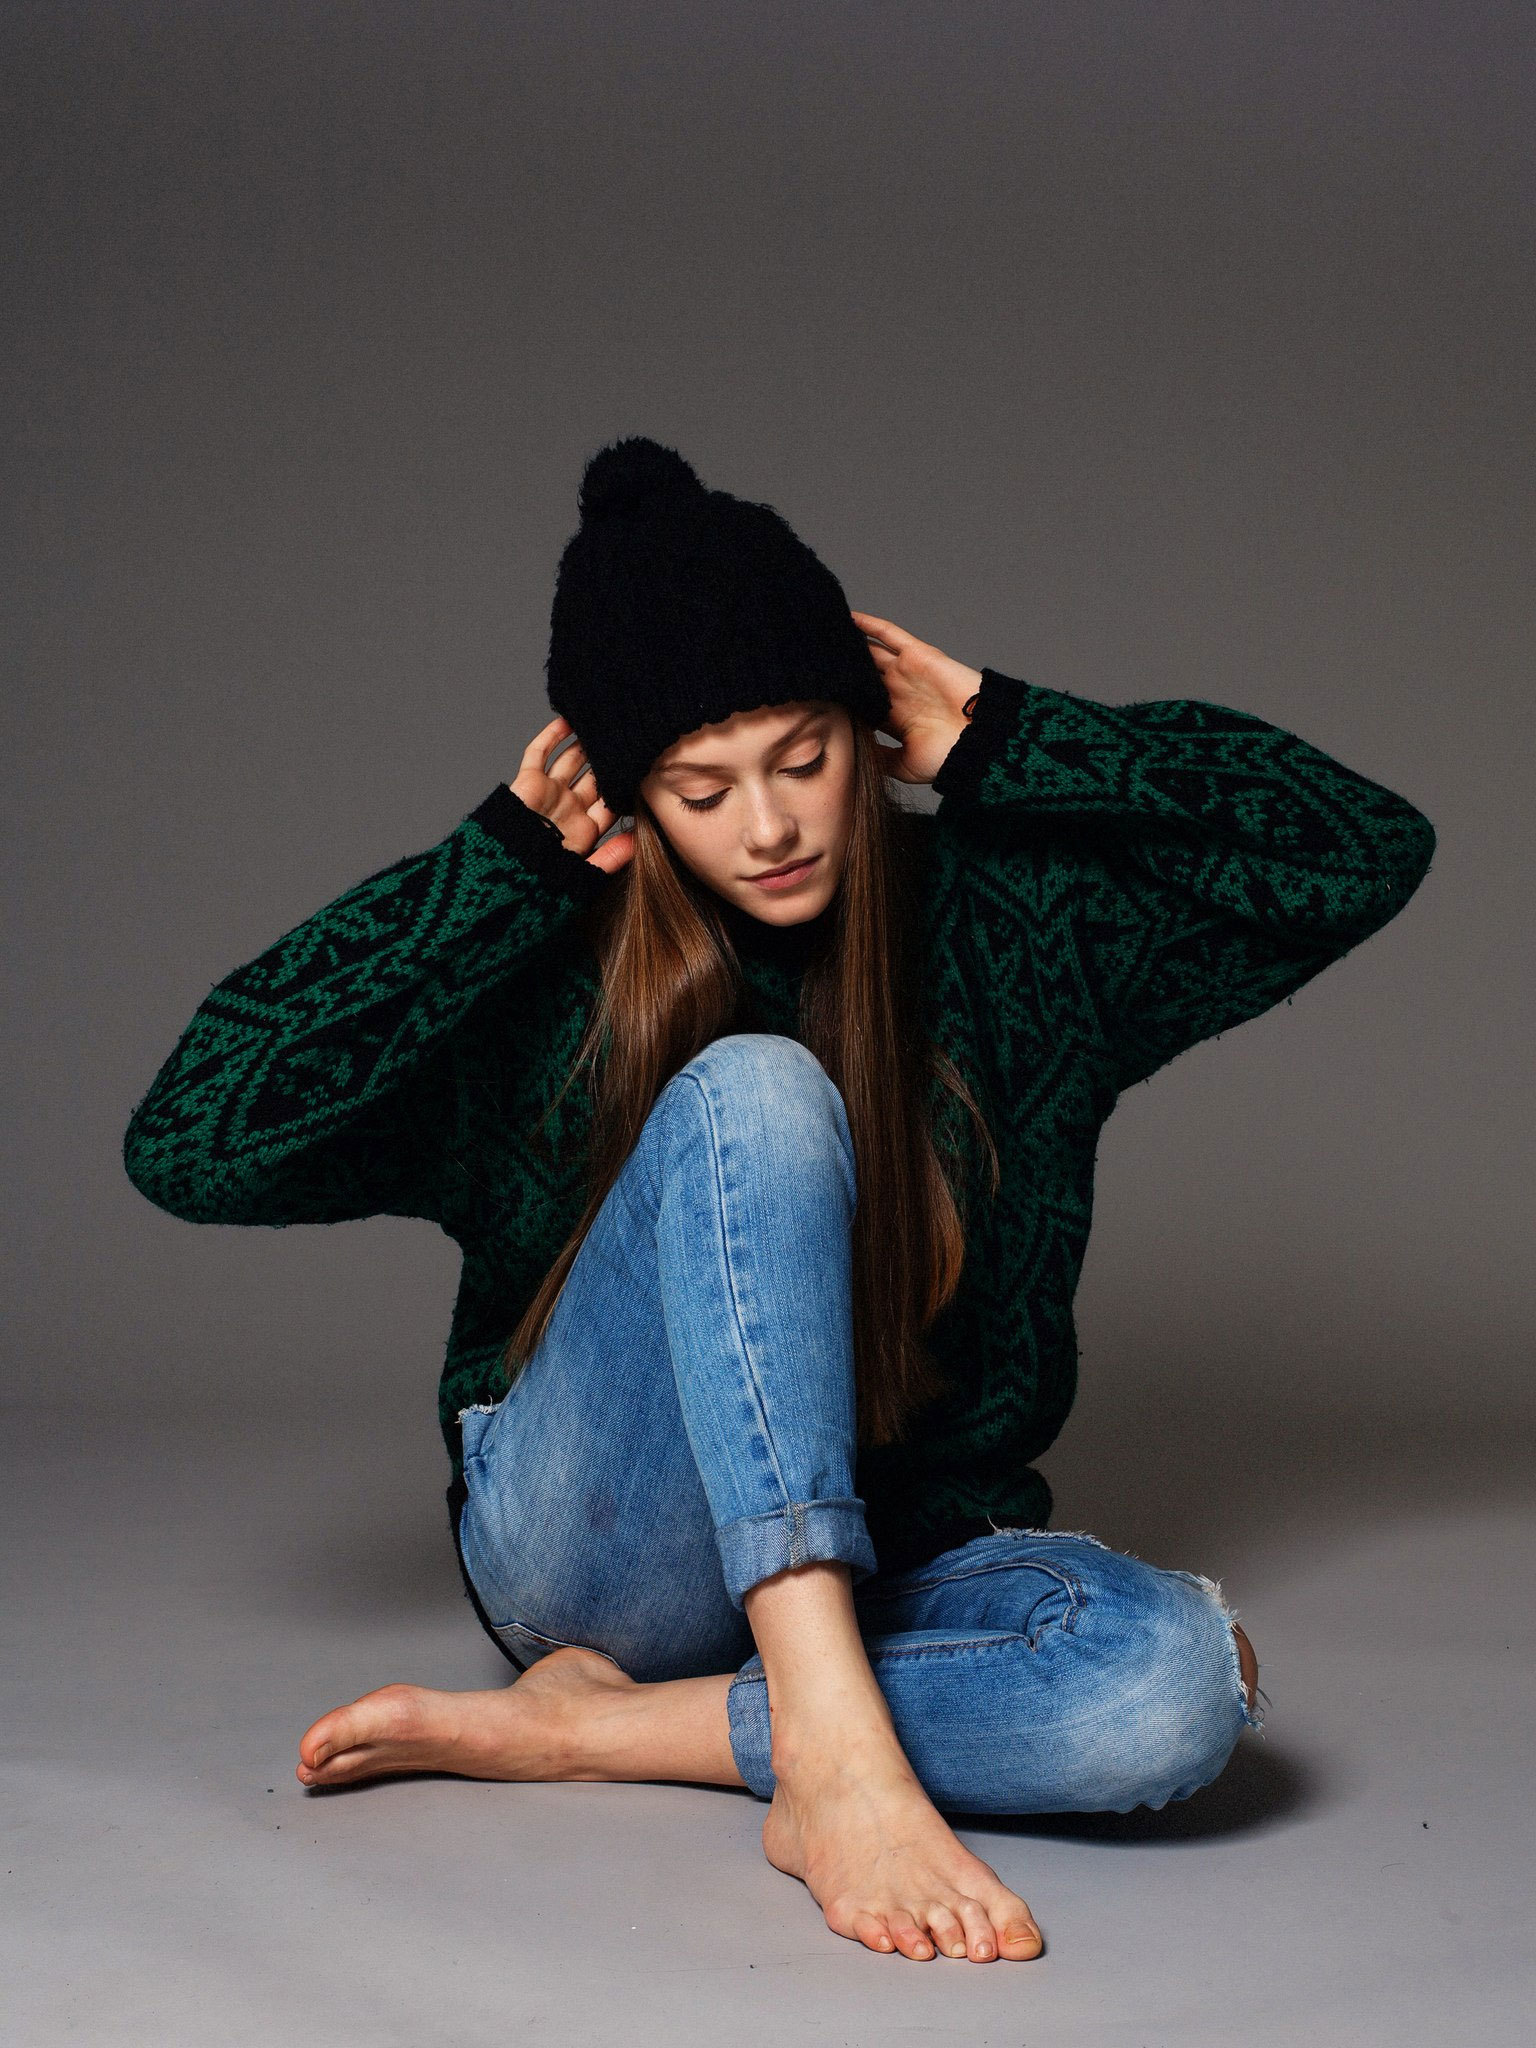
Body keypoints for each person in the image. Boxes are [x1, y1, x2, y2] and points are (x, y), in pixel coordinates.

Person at [123, 436, 1436, 1965]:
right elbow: (191, 1142)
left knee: (1177, 1686)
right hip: (600, 1557)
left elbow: (1360, 852)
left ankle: (609, 1734)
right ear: (633, 793)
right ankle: (827, 1747)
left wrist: (1006, 734)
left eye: (802, 759)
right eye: (703, 788)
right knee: (754, 1092)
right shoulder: (554, 971)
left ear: (864, 729)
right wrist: (492, 874)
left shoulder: (1014, 930)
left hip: (905, 1552)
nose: (770, 827)